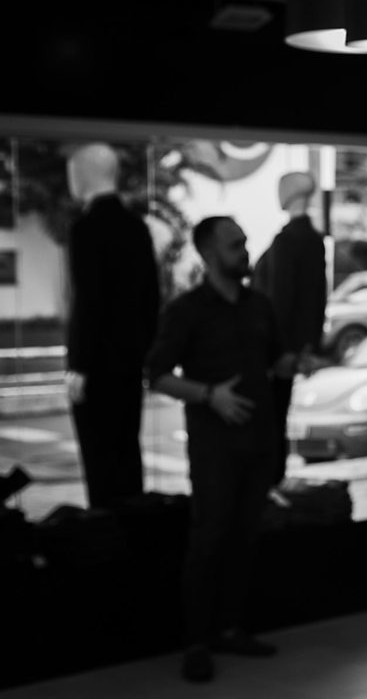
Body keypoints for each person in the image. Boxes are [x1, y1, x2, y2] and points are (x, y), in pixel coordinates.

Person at [146, 216, 297, 683]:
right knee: (209, 539)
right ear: (210, 254)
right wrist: (210, 394)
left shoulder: (259, 305)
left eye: (245, 242)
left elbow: (277, 361)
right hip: (215, 447)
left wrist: (302, 359)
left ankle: (230, 628)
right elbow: (157, 374)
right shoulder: (187, 309)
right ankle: (196, 640)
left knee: (244, 537)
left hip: (261, 442)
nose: (245, 250)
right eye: (236, 245)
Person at [64, 142, 160, 510]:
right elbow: (150, 298)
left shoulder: (86, 228)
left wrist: (79, 364)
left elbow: (88, 299)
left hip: (99, 364)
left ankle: (106, 537)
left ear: (86, 174)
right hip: (129, 361)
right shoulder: (136, 227)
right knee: (126, 448)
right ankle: (133, 531)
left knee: (100, 457)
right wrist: (147, 352)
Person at [251, 170, 327, 484]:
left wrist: (276, 351)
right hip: (290, 348)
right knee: (275, 421)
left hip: (275, 351)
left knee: (268, 424)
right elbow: (315, 296)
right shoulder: (311, 239)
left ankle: (267, 488)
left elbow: (281, 299)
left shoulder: (288, 240)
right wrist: (307, 343)